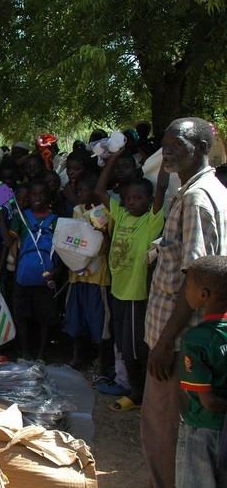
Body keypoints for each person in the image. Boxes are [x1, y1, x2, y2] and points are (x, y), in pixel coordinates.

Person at [142, 118, 227, 488]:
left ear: (202, 147)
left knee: (164, 429)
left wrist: (164, 343)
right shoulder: (206, 189)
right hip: (182, 336)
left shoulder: (196, 198)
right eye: (165, 143)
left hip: (177, 339)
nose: (168, 151)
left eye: (177, 143)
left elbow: (197, 280)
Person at [92, 149, 167, 412]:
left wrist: (165, 163)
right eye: (128, 198)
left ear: (149, 200)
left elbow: (161, 192)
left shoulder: (152, 220)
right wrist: (112, 159)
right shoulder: (121, 214)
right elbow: (100, 190)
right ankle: (137, 390)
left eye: (139, 198)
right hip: (118, 291)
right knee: (123, 345)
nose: (133, 202)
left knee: (135, 348)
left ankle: (140, 394)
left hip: (136, 294)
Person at [175, 255, 227, 488]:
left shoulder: (196, 340)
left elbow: (208, 401)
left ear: (204, 295)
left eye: (188, 286)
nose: (185, 291)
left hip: (203, 428)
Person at [10, 180, 61, 360]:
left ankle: (41, 353)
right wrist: (0, 212)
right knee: (21, 316)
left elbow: (62, 251)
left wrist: (56, 271)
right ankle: (25, 351)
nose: (37, 198)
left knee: (44, 318)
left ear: (49, 197)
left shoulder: (56, 221)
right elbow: (10, 241)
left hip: (47, 278)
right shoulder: (21, 217)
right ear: (28, 197)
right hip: (24, 276)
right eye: (34, 194)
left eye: (42, 194)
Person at [64, 174, 110, 370]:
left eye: (83, 190)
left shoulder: (104, 212)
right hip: (77, 273)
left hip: (97, 276)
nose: (79, 194)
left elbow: (104, 241)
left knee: (98, 320)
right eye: (78, 191)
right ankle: (78, 357)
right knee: (76, 317)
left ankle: (101, 360)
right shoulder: (77, 210)